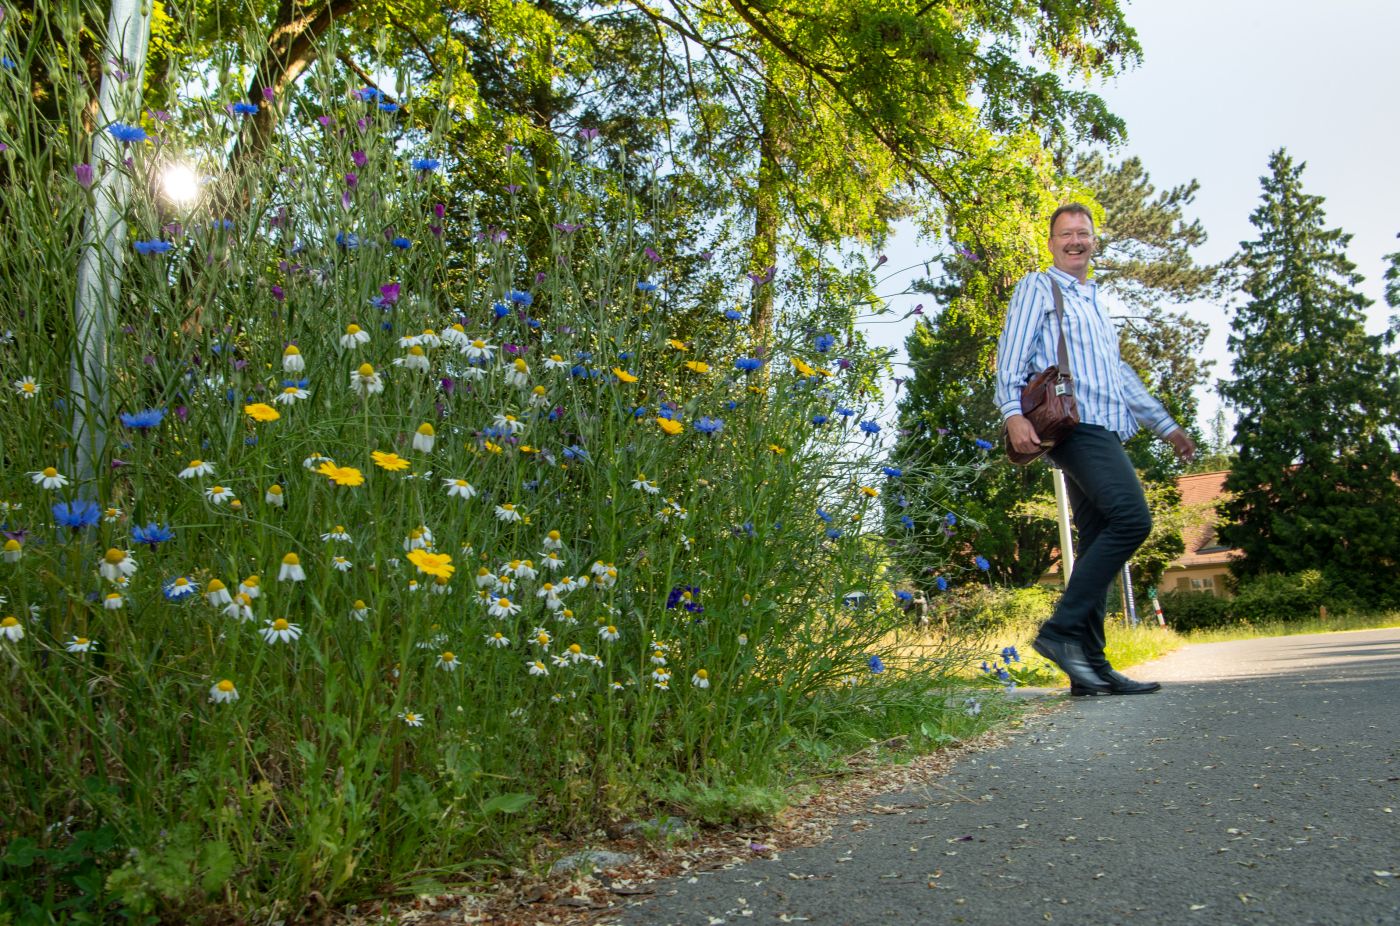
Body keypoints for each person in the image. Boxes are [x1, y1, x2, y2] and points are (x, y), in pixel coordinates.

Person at [995, 203, 1196, 696]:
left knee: (1096, 540)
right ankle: (1060, 632)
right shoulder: (1039, 287)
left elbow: (1118, 373)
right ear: (1051, 243)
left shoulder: (1094, 302)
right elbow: (1012, 353)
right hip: (1074, 425)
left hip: (1107, 424)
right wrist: (1011, 411)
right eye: (1066, 234)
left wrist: (1165, 425)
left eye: (1083, 233)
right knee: (1132, 519)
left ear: (1094, 241)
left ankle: (1092, 669)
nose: (1075, 241)